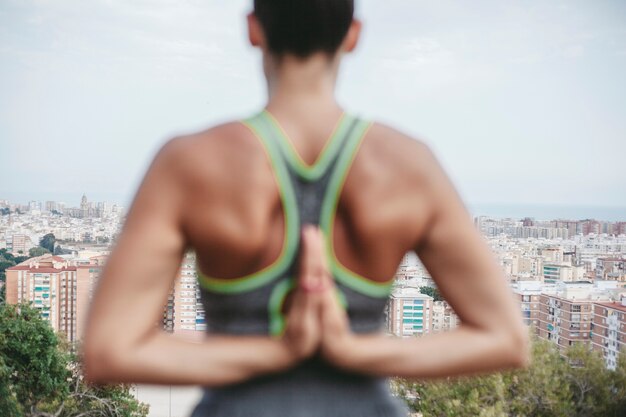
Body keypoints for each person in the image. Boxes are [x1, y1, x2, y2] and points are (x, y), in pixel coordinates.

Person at [82, 0, 531, 416]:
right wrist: (353, 351)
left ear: (253, 29)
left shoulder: (190, 163)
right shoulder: (409, 166)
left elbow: (109, 350)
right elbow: (506, 339)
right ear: (352, 36)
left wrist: (275, 351)